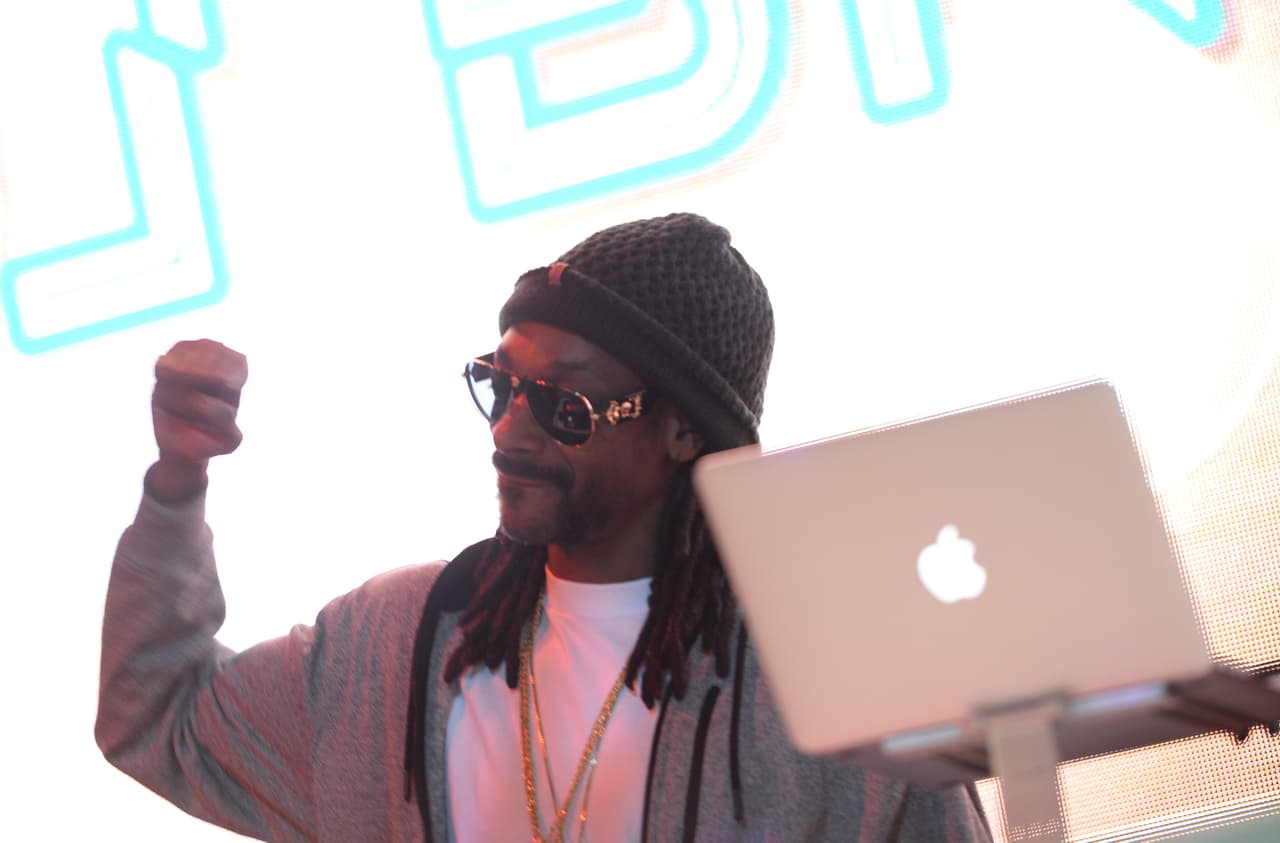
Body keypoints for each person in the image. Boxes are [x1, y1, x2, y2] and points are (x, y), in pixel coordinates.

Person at [96, 213, 992, 842]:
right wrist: (177, 484)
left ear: (683, 429)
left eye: (565, 403)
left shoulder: (818, 693)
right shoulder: (393, 643)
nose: (511, 428)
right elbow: (159, 719)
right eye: (501, 383)